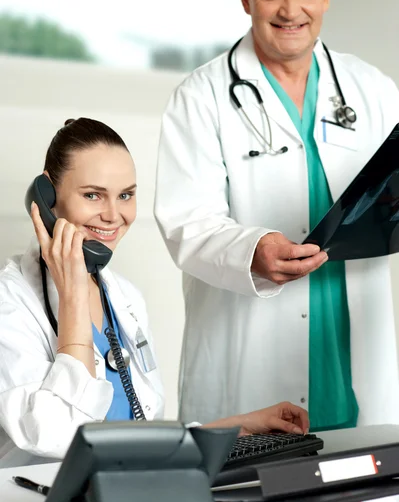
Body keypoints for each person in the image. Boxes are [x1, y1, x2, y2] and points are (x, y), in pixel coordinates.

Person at [154, 0, 399, 429]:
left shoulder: (372, 89)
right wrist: (253, 249)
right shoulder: (202, 96)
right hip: (249, 368)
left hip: (351, 355)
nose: (292, 10)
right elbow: (186, 223)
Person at [0, 118, 308, 468]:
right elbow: (57, 433)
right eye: (92, 195)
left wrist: (233, 427)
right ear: (46, 196)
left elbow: (135, 433)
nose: (114, 216)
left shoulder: (124, 297)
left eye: (126, 195)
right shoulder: (10, 302)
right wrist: (72, 301)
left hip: (124, 495)